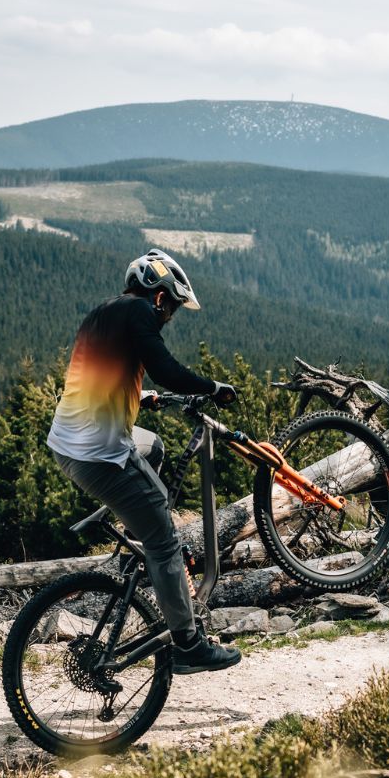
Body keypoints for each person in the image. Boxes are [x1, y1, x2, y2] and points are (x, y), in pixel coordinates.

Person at [47, 249, 242, 673]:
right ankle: (189, 645)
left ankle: (129, 521)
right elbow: (165, 368)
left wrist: (142, 396)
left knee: (152, 446)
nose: (168, 317)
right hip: (100, 453)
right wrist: (212, 387)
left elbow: (102, 375)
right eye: (170, 307)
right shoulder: (139, 312)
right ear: (157, 295)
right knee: (166, 543)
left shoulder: (104, 313)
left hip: (68, 443)